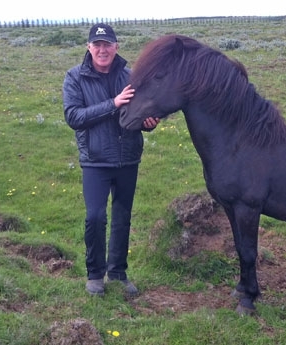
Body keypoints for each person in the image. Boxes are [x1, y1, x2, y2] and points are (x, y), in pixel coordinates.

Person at [63, 23, 159, 297]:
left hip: (127, 158)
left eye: (107, 44)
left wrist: (149, 123)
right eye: (97, 45)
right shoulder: (75, 78)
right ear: (89, 47)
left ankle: (118, 272)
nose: (102, 50)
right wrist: (113, 104)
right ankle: (95, 275)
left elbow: (140, 115)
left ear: (117, 46)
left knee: (122, 217)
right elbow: (74, 117)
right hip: (95, 160)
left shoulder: (131, 76)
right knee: (95, 217)